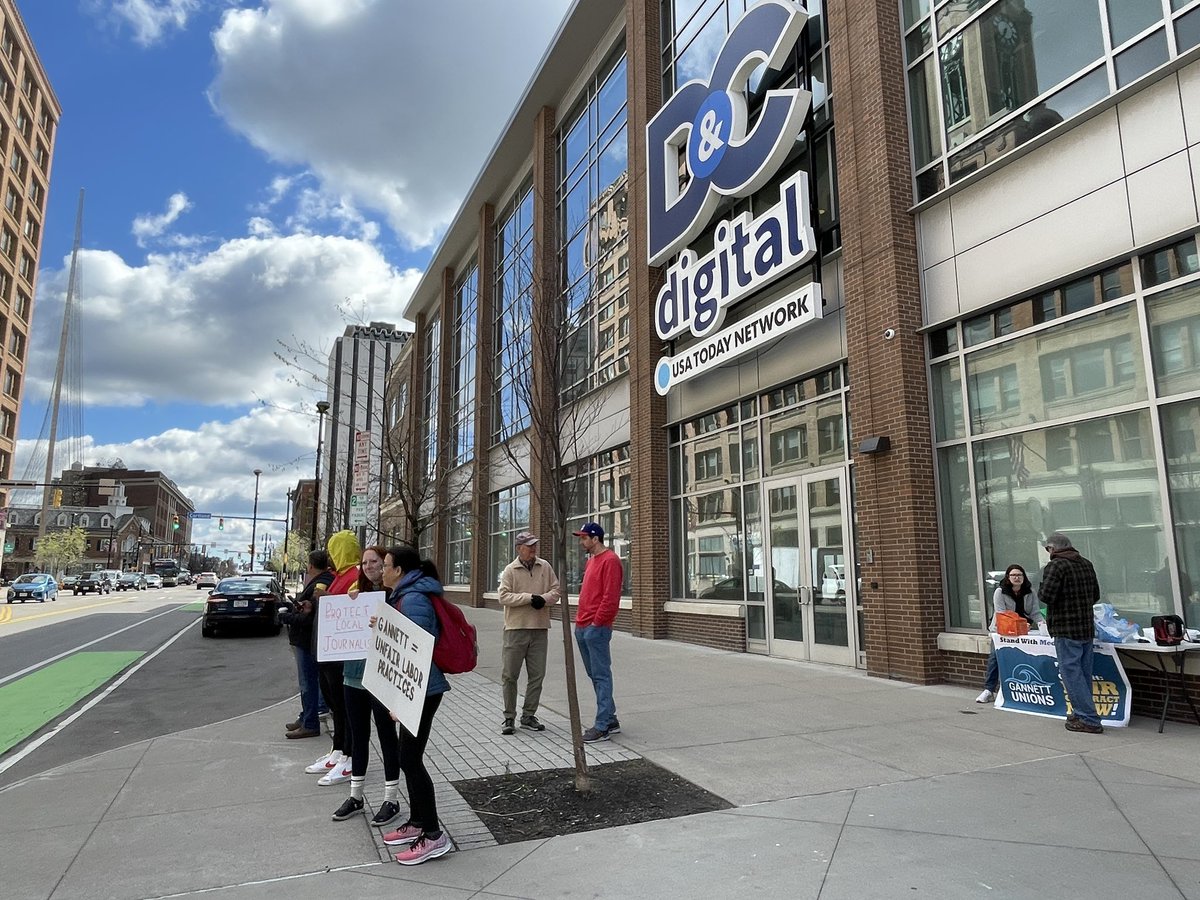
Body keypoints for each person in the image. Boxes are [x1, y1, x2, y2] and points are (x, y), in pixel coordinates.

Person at [377, 548, 453, 865]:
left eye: (385, 566)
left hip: (422, 690)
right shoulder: (404, 596)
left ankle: (434, 836)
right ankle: (419, 822)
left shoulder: (414, 599)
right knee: (407, 757)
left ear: (400, 570)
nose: (381, 571)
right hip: (415, 690)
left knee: (410, 758)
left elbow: (418, 651)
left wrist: (405, 699)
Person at [331, 545, 405, 828]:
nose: (369, 566)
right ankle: (356, 795)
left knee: (387, 736)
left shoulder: (395, 596)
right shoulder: (356, 593)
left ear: (386, 563)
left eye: (375, 561)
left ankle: (391, 798)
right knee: (358, 735)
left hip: (381, 676)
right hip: (353, 674)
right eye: (364, 562)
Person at [497, 531, 561, 735]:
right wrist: (528, 598)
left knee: (537, 675)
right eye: (529, 546)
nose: (533, 549)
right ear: (519, 548)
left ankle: (528, 715)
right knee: (510, 675)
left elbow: (557, 590)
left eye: (535, 545)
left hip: (540, 629)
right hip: (515, 629)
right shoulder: (510, 570)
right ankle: (509, 717)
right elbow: (503, 596)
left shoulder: (545, 566)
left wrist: (545, 599)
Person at [1040, 532, 1103, 734]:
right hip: (1086, 627)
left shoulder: (1056, 566)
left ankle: (1088, 718)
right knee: (1083, 673)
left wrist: (1042, 585)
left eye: (1048, 549)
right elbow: (1095, 595)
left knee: (1071, 673)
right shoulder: (1086, 563)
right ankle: (1080, 712)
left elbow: (1047, 596)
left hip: (1065, 628)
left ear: (1052, 548)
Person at [312, 530, 362, 785]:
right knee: (336, 706)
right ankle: (339, 750)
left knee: (345, 707)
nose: (331, 555)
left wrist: (327, 598)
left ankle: (350, 757)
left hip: (343, 655)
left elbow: (350, 608)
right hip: (330, 652)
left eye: (334, 549)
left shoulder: (356, 576)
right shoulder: (340, 575)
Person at [572, 522, 623, 743]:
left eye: (584, 538)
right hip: (582, 626)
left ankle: (602, 725)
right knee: (594, 674)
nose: (581, 542)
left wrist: (596, 624)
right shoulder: (591, 560)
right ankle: (610, 719)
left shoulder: (610, 560)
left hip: (596, 628)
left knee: (601, 675)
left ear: (595, 539)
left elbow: (610, 598)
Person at [281, 550, 333, 746]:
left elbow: (309, 616)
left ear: (311, 565)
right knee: (308, 682)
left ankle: (310, 723)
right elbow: (310, 607)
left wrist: (286, 617)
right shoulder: (325, 579)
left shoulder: (322, 582)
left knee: (308, 683)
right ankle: (305, 717)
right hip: (308, 639)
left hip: (307, 639)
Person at [976, 564, 1044, 704]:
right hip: (1002, 629)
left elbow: (1035, 612)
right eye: (1013, 575)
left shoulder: (1030, 591)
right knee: (996, 657)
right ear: (1008, 577)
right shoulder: (1000, 592)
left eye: (1019, 575)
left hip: (1024, 629)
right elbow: (1002, 614)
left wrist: (1043, 625)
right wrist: (1018, 624)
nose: (1017, 578)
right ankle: (989, 690)